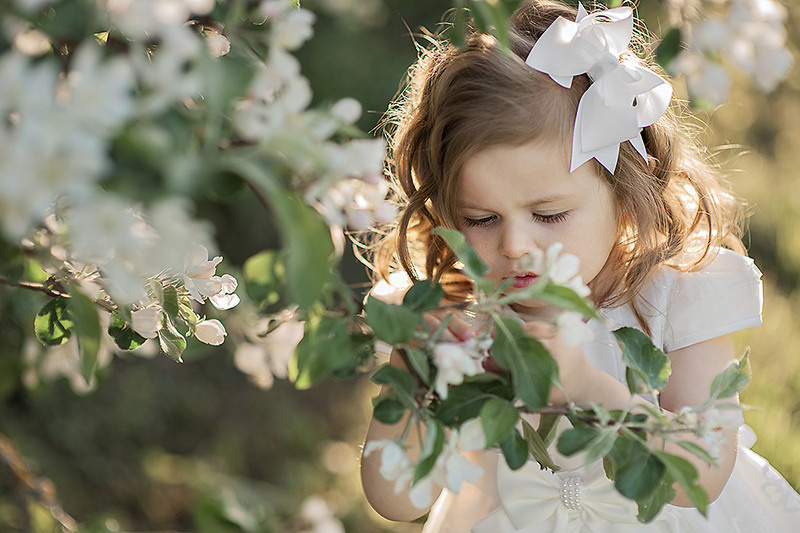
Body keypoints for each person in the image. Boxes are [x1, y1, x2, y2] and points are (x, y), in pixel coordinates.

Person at [361, 1, 800, 531]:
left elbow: (698, 479)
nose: (516, 244)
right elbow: (397, 499)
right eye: (480, 219)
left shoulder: (675, 299)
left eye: (549, 215)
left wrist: (586, 385)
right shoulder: (461, 320)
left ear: (622, 196)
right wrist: (416, 373)